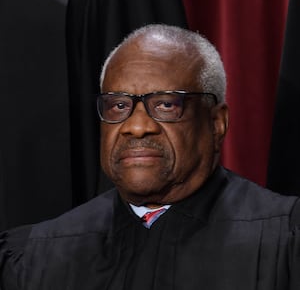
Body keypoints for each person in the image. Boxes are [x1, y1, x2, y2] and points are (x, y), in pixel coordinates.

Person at [1, 24, 300, 290]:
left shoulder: (285, 242)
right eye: (118, 106)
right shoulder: (38, 255)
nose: (137, 126)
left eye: (166, 104)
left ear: (216, 123)